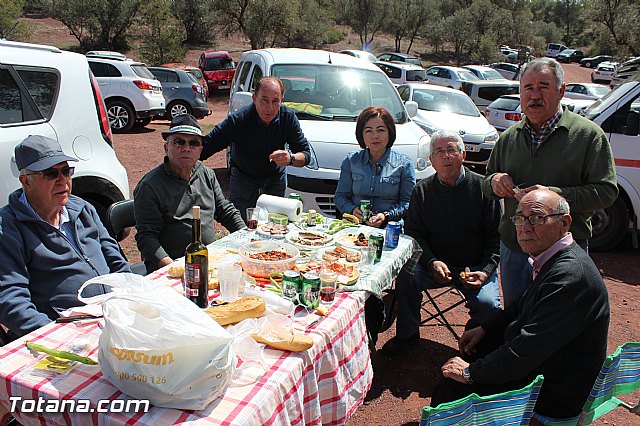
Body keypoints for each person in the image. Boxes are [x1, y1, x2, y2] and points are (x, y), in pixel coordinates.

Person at [434, 189, 610, 421]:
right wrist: (485, 328)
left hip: (556, 392)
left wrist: (470, 373)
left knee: (450, 391)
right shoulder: (553, 258)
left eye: (536, 218)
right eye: (519, 218)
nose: (525, 227)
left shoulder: (569, 275)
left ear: (564, 223)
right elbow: (522, 305)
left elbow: (525, 352)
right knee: (479, 338)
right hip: (550, 366)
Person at [481, 57, 618, 306]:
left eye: (543, 86)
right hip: (515, 248)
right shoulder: (509, 137)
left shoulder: (587, 136)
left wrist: (554, 196)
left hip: (563, 255)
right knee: (515, 315)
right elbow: (487, 183)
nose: (534, 95)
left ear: (561, 91)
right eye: (528, 88)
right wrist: (495, 182)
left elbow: (606, 191)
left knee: (560, 321)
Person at [381, 130, 501, 356]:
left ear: (463, 154)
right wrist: (431, 262)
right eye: (439, 151)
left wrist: (485, 272)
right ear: (431, 160)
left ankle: (472, 345)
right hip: (435, 266)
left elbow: (496, 238)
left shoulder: (484, 189)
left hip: (475, 269)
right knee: (406, 276)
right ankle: (407, 335)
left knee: (489, 306)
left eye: (451, 150)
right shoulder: (422, 190)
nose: (446, 156)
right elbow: (414, 234)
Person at [0, 135, 131, 339]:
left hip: (112, 315)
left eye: (66, 171)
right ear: (26, 181)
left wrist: (131, 297)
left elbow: (116, 261)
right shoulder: (9, 227)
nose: (63, 181)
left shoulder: (83, 209)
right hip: (65, 329)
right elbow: (11, 300)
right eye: (51, 174)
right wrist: (56, 334)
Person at [134, 114, 246, 273]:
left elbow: (226, 211)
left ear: (200, 150)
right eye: (179, 142)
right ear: (167, 147)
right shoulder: (150, 186)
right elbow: (146, 237)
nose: (186, 148)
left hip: (208, 261)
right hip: (172, 267)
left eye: (193, 143)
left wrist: (247, 238)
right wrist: (173, 267)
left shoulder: (206, 174)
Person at [200, 77, 311, 221]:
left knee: (275, 226)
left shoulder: (287, 118)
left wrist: (290, 159)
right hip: (243, 177)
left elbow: (306, 155)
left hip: (274, 178)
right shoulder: (239, 120)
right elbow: (208, 145)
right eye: (264, 100)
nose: (269, 107)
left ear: (281, 100)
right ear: (254, 98)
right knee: (239, 224)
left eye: (275, 101)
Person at [334, 106, 416, 227]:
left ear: (390, 132)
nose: (375, 136)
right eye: (368, 131)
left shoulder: (404, 164)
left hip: (389, 228)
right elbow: (340, 196)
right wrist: (352, 210)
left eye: (381, 130)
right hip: (355, 226)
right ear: (361, 134)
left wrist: (386, 215)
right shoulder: (351, 161)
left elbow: (408, 203)